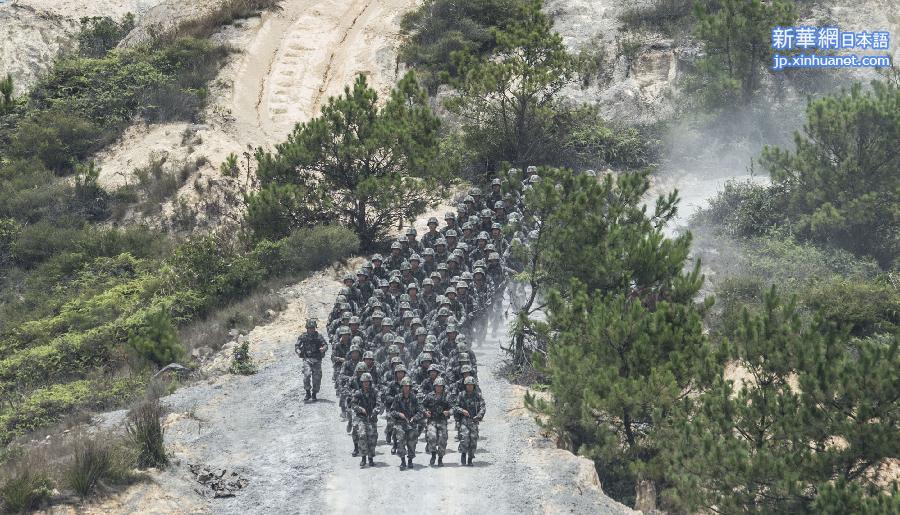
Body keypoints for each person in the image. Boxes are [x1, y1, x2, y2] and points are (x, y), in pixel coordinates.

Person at [390, 376, 422, 470]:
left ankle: (410, 460)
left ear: (410, 387)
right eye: (404, 386)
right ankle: (403, 461)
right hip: (400, 423)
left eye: (408, 386)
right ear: (402, 387)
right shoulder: (398, 398)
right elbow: (392, 411)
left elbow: (420, 411)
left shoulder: (414, 398)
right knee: (401, 441)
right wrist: (399, 414)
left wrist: (414, 417)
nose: (406, 388)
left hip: (411, 423)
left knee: (412, 442)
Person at [455, 376, 486, 466]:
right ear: (465, 386)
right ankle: (463, 454)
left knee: (473, 439)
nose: (469, 387)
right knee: (465, 437)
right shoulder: (461, 395)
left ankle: (470, 458)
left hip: (474, 420)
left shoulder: (478, 396)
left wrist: (479, 416)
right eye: (468, 385)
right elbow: (455, 406)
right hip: (464, 420)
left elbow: (483, 407)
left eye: (471, 385)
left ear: (474, 386)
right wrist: (462, 411)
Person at [350, 373, 380, 467]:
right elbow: (353, 404)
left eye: (367, 382)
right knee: (362, 436)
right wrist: (360, 409)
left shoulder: (375, 392)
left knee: (372, 438)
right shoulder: (358, 393)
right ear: (362, 383)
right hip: (361, 418)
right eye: (364, 382)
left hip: (372, 418)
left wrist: (375, 411)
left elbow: (379, 403)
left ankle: (370, 459)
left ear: (370, 382)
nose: (366, 384)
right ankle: (363, 458)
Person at [294, 318, 327, 401]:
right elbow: (297, 345)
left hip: (317, 360)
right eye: (309, 328)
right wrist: (298, 351)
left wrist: (323, 348)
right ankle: (307, 392)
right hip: (307, 359)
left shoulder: (319, 337)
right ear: (307, 328)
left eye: (312, 328)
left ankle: (314, 393)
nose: (311, 330)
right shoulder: (303, 336)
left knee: (317, 378)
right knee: (307, 375)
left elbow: (325, 345)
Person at [423, 377, 453, 466]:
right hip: (432, 420)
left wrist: (448, 412)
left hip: (442, 421)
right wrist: (425, 412)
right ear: (434, 387)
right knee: (431, 437)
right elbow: (421, 406)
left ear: (443, 387)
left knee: (442, 439)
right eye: (437, 386)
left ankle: (440, 458)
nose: (438, 388)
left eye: (440, 386)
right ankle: (433, 455)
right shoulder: (429, 396)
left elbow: (453, 407)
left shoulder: (447, 396)